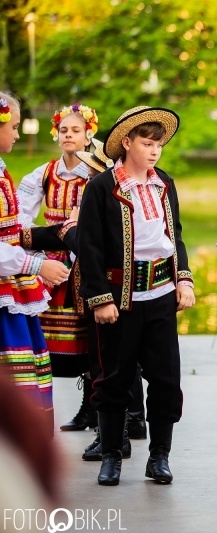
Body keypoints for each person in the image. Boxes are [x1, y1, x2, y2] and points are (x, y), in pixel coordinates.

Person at [78, 106, 195, 486]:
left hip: (161, 296)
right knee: (114, 380)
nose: (154, 151)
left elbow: (174, 235)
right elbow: (90, 246)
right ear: (126, 143)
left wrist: (184, 279)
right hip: (120, 300)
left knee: (166, 380)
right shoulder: (101, 188)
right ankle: (112, 455)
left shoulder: (165, 183)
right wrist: (100, 298)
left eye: (158, 144)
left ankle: (159, 456)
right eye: (147, 143)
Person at [17, 103, 100, 434]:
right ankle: (44, 403)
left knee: (89, 334)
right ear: (56, 134)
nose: (68, 135)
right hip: (52, 261)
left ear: (88, 134)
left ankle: (91, 407)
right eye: (64, 130)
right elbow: (20, 213)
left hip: (84, 257)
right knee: (46, 331)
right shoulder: (44, 173)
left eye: (75, 130)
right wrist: (35, 241)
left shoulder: (96, 174)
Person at [0, 91, 70, 437]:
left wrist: (59, 235)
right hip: (7, 287)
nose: (16, 133)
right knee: (12, 373)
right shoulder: (41, 173)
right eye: (13, 126)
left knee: (26, 368)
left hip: (12, 288)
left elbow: (13, 230)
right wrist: (36, 265)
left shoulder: (2, 171)